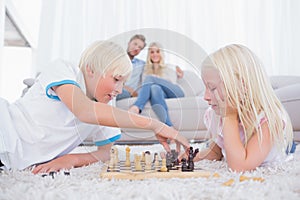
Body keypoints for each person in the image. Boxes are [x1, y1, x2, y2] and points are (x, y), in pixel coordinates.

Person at [0, 40, 190, 173]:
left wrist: (72, 159)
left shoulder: (106, 104)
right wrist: (157, 124)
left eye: (123, 83)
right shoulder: (64, 70)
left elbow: (106, 152)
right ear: (91, 69)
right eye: (116, 79)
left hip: (10, 161)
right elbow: (84, 111)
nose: (119, 89)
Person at [193, 44, 294, 172]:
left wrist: (229, 116)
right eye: (205, 88)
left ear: (242, 86)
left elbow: (240, 167)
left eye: (212, 88)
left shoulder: (269, 120)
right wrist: (189, 157)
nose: (205, 97)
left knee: (289, 148)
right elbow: (216, 152)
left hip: (276, 146)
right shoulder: (215, 115)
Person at [129, 42, 185, 127]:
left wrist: (155, 79)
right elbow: (146, 88)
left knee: (150, 79)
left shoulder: (170, 67)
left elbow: (172, 83)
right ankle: (169, 127)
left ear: (161, 53)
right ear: (149, 55)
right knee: (155, 88)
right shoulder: (145, 70)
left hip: (175, 92)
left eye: (157, 51)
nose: (155, 54)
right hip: (161, 94)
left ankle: (137, 106)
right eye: (152, 52)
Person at [116, 34, 146, 100]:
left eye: (140, 47)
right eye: (135, 44)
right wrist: (129, 89)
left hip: (126, 94)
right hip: (118, 89)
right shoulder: (117, 59)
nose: (136, 48)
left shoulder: (141, 64)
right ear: (129, 43)